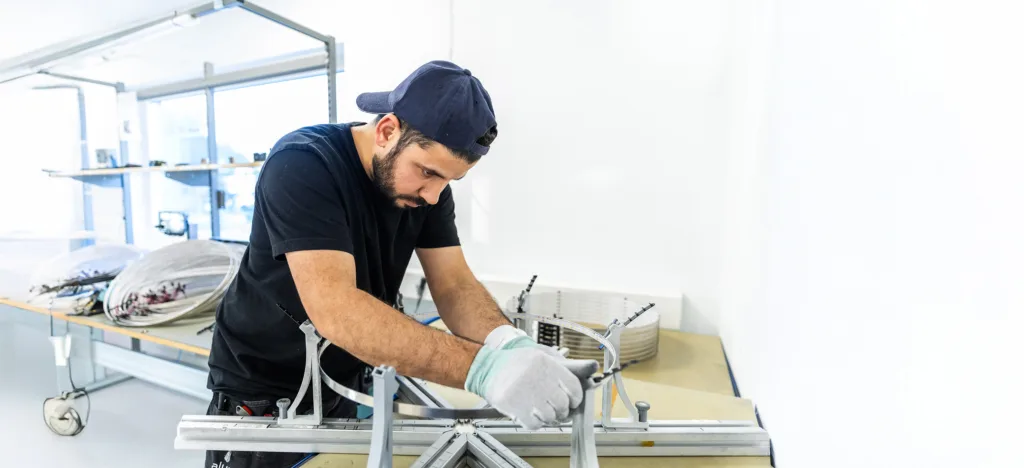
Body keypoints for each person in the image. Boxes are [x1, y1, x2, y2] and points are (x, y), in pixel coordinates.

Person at [203, 60, 597, 467]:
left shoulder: (428, 189)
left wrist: (512, 347)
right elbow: (336, 310)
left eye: (447, 181)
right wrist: (486, 370)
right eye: (427, 173)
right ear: (387, 130)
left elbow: (454, 285)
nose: (433, 195)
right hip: (262, 385)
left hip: (341, 375)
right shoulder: (302, 164)